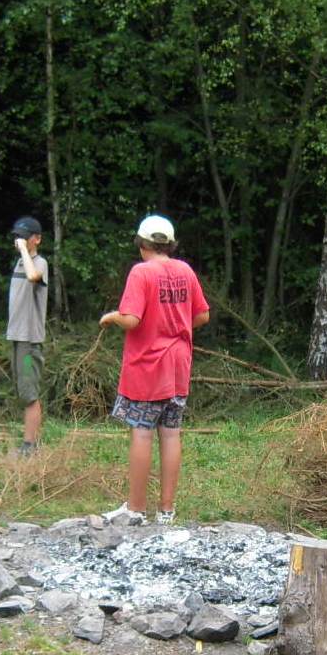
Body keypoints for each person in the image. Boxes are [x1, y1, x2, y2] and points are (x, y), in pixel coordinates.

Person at [98, 214, 210, 525]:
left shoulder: (141, 272)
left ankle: (135, 509)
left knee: (142, 432)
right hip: (178, 366)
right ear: (170, 244)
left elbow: (131, 319)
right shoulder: (185, 270)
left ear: (142, 244)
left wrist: (112, 317)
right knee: (171, 434)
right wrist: (176, 324)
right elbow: (202, 315)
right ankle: (167, 511)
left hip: (148, 365)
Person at [5, 215, 48, 457]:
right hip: (17, 338)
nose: (18, 240)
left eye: (23, 237)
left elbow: (33, 277)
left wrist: (24, 251)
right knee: (23, 391)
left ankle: (30, 447)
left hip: (30, 342)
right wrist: (23, 253)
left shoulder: (39, 263)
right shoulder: (20, 263)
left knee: (30, 392)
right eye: (17, 237)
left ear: (36, 239)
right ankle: (28, 443)